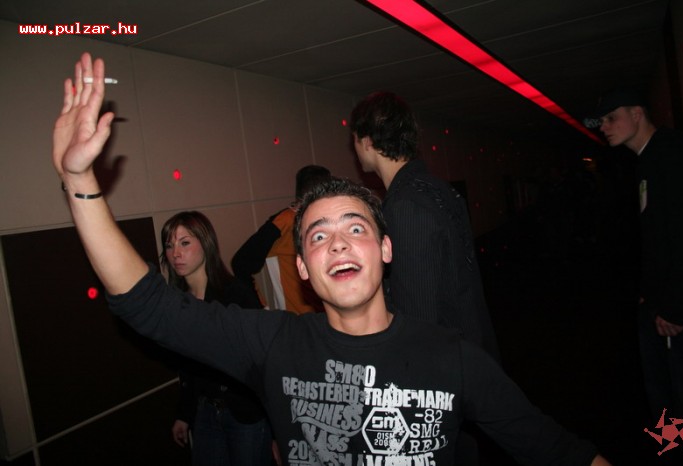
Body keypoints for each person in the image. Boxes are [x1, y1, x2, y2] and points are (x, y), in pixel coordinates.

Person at [53, 52, 612, 466]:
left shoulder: (454, 358)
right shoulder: (274, 345)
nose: (338, 242)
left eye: (355, 227)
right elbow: (148, 305)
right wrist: (79, 181)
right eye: (318, 236)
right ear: (303, 268)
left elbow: (558, 450)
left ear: (387, 249)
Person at [349, 91, 500, 361]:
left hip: (446, 361)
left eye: (355, 140)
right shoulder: (439, 189)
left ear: (368, 141)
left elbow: (418, 314)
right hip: (471, 349)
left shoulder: (406, 205)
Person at [592, 87, 683, 464]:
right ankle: (672, 454)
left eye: (611, 118)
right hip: (661, 306)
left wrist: (674, 305)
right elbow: (658, 239)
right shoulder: (648, 160)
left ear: (637, 114)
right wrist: (650, 293)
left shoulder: (674, 155)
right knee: (664, 395)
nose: (603, 127)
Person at [160, 211, 272, 466]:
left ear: (206, 243)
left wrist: (277, 430)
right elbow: (188, 367)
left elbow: (263, 361)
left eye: (184, 243)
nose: (176, 253)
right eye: (169, 245)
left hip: (245, 413)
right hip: (206, 412)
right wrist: (184, 414)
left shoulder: (235, 295)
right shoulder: (178, 302)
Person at [232, 165, 331, 313]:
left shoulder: (325, 221)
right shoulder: (285, 222)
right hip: (295, 319)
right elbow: (241, 263)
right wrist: (260, 308)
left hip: (326, 314)